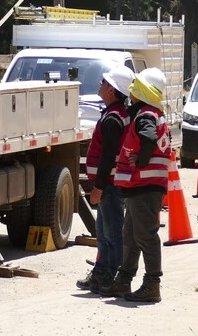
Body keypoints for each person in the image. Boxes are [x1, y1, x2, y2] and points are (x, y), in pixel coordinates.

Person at [104, 67, 174, 303]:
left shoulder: (145, 115)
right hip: (143, 186)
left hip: (146, 185)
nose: (130, 95)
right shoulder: (151, 112)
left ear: (142, 93)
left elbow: (149, 137)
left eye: (135, 91)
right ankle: (124, 279)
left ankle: (152, 284)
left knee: (145, 235)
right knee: (131, 235)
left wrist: (142, 160)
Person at [77, 66, 133, 293]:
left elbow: (108, 157)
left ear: (113, 89)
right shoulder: (118, 114)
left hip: (109, 185)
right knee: (104, 231)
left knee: (110, 233)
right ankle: (101, 273)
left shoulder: (113, 118)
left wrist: (98, 187)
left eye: (104, 82)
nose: (100, 85)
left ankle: (111, 277)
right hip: (110, 184)